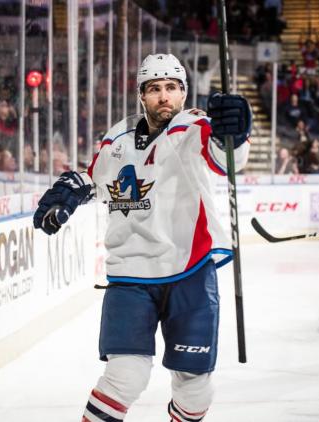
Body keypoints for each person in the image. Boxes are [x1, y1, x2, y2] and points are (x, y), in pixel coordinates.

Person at [33, 53, 251, 421]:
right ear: (141, 95)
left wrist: (235, 134)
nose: (164, 96)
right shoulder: (117, 136)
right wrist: (72, 190)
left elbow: (225, 157)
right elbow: (95, 181)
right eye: (155, 89)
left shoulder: (194, 125)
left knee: (194, 387)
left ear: (183, 93)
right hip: (129, 275)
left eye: (172, 88)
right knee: (124, 377)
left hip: (190, 269)